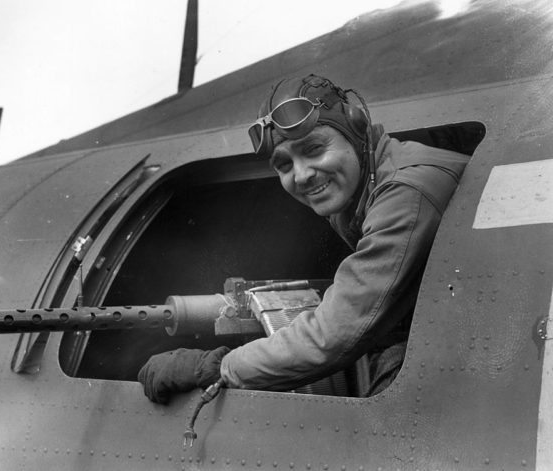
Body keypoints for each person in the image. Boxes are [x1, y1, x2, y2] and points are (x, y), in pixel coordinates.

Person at [138, 73, 469, 404]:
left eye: (314, 149)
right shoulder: (358, 189)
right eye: (284, 165)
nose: (302, 174)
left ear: (357, 130)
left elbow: (335, 333)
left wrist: (213, 366)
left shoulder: (404, 193)